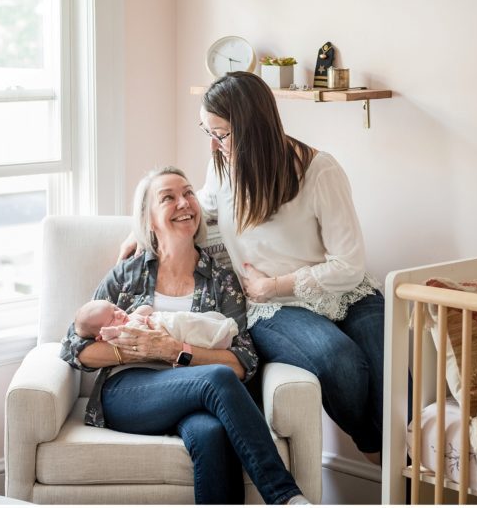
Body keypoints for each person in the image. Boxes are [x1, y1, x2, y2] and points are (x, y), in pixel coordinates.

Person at [120, 71, 384, 464]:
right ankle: (378, 451)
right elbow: (202, 209)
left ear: (253, 127)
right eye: (206, 131)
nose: (212, 144)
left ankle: (407, 475)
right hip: (273, 306)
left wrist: (275, 282)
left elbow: (348, 264)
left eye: (221, 134)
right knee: (340, 361)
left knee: (392, 371)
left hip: (343, 290)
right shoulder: (221, 167)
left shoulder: (319, 170)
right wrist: (142, 231)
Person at [61, 165, 310, 505]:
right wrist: (139, 351)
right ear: (149, 219)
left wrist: (177, 350)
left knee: (211, 433)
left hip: (195, 394)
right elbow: (74, 348)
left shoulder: (221, 278)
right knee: (217, 379)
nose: (184, 203)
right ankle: (286, 498)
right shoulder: (127, 274)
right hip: (130, 392)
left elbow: (243, 362)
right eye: (168, 198)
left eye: (188, 193)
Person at [74, 298, 239, 349]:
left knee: (192, 320)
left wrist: (137, 313)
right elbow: (72, 345)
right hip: (172, 331)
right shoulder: (121, 332)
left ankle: (219, 328)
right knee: (191, 329)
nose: (119, 313)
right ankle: (217, 336)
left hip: (170, 320)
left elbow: (147, 308)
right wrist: (111, 333)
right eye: (112, 318)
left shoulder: (129, 317)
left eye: (115, 308)